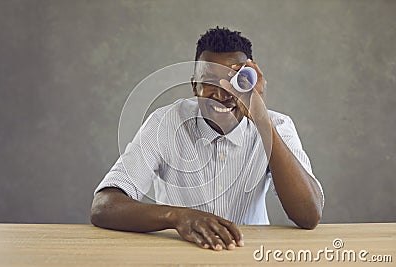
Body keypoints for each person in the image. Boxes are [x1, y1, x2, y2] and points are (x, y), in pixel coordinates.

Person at [91, 27, 324, 251]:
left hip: (249, 254)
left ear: (251, 83)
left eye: (234, 82)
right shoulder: (166, 123)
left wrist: (261, 119)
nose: (222, 95)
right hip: (176, 254)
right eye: (211, 82)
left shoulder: (277, 125)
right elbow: (103, 206)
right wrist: (177, 216)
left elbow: (308, 215)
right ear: (195, 86)